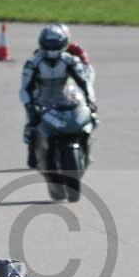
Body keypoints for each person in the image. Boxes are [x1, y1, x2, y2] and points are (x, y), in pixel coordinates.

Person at [20, 23, 97, 171]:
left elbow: (85, 82)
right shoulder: (33, 63)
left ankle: (85, 148)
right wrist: (30, 105)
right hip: (41, 98)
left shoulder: (71, 60)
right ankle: (32, 150)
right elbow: (24, 88)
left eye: (55, 45)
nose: (52, 50)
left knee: (90, 117)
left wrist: (90, 101)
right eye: (48, 45)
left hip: (64, 96)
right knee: (32, 124)